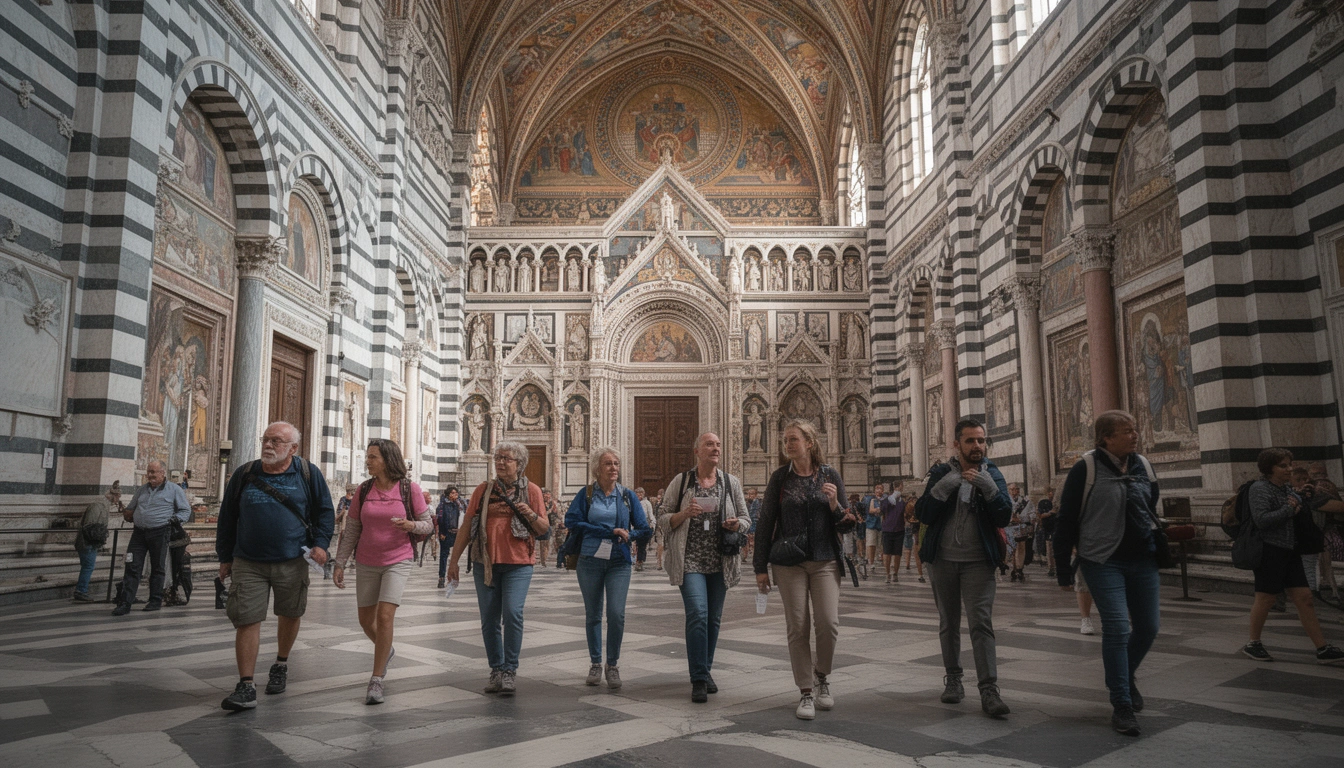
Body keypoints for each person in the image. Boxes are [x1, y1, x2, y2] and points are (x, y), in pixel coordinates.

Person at [1053, 411, 1164, 735]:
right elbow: (1066, 521)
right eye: (1127, 431)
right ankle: (1122, 703)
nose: (1135, 435)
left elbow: (1151, 502)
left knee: (1148, 627)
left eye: (1135, 430)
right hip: (1102, 560)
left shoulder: (1142, 465)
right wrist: (1063, 570)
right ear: (1106, 438)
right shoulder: (1085, 469)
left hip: (1143, 557)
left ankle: (1124, 676)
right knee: (1116, 627)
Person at [216, 422, 335, 711]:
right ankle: (246, 685)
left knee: (290, 613)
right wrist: (225, 556)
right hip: (248, 560)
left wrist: (321, 544)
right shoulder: (245, 473)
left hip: (292, 560)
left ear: (293, 448)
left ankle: (281, 663)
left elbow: (324, 511)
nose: (269, 445)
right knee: (246, 619)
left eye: (277, 441)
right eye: (266, 440)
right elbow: (227, 516)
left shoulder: (307, 474)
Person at [753, 420, 856, 720]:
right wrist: (760, 567)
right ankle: (806, 691)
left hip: (825, 559)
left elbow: (848, 522)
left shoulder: (830, 475)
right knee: (797, 626)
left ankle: (822, 675)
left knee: (828, 623)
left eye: (793, 439)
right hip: (789, 563)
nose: (788, 444)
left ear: (809, 442)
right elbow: (766, 523)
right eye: (785, 440)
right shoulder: (779, 479)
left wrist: (835, 504)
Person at [915, 419, 1012, 719]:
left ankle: (989, 688)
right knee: (949, 621)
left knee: (981, 622)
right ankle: (954, 679)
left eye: (981, 441)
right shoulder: (941, 473)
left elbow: (1005, 515)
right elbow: (923, 513)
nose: (977, 446)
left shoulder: (992, 473)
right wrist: (944, 488)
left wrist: (989, 489)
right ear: (957, 444)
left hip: (979, 562)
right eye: (970, 441)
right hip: (943, 560)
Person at [332, 439, 432, 704]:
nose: (368, 461)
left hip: (398, 560)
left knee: (385, 616)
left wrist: (411, 526)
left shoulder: (410, 489)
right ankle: (386, 649)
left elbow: (428, 526)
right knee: (366, 620)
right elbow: (352, 528)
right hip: (366, 561)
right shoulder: (364, 490)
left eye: (373, 457)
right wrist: (340, 562)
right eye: (368, 456)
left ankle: (376, 679)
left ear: (388, 459)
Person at [447, 441, 549, 695]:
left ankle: (510, 669)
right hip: (486, 563)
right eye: (498, 458)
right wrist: (453, 561)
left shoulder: (532, 491)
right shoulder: (483, 491)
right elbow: (467, 527)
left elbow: (545, 529)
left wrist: (532, 516)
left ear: (520, 464)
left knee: (513, 613)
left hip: (519, 563)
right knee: (489, 619)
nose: (501, 462)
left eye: (507, 458)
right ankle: (496, 668)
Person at [658, 433, 750, 702]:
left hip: (720, 560)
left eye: (718, 445)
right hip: (690, 561)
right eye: (710, 444)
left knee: (714, 619)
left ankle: (705, 670)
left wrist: (736, 524)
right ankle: (698, 677)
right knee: (698, 613)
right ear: (696, 450)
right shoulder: (683, 481)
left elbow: (746, 519)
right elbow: (662, 519)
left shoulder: (730, 482)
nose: (716, 448)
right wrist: (684, 514)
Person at [1240, 447, 1344, 666]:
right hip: (1269, 550)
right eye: (1283, 466)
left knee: (1305, 598)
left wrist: (1300, 496)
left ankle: (1322, 648)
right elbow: (1262, 520)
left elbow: (1305, 505)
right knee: (1266, 598)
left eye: (1289, 464)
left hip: (1290, 550)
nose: (1289, 469)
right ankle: (1253, 643)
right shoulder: (1259, 489)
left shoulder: (1286, 488)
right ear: (1270, 468)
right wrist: (1290, 507)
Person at [566, 448, 651, 690]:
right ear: (597, 468)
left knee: (616, 613)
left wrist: (629, 534)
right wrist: (606, 531)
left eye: (616, 463)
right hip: (589, 560)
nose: (613, 468)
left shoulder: (627, 496)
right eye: (608, 464)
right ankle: (595, 663)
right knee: (593, 614)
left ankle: (612, 665)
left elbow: (645, 529)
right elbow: (571, 521)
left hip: (618, 561)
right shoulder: (587, 494)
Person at [113, 460, 191, 615]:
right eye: (149, 472)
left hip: (160, 531)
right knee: (132, 565)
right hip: (139, 533)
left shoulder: (174, 490)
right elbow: (131, 508)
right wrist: (127, 512)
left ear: (163, 472)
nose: (150, 475)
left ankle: (155, 600)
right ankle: (125, 602)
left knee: (157, 567)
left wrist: (176, 520)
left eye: (153, 472)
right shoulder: (142, 490)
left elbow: (185, 510)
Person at [73, 486, 118, 602]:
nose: (117, 500)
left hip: (92, 542)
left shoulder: (104, 506)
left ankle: (81, 589)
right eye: (117, 497)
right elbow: (89, 526)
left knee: (87, 566)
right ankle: (81, 590)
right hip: (87, 542)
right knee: (88, 566)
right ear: (112, 496)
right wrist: (98, 537)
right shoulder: (97, 506)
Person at [436, 487, 463, 588]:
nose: (455, 494)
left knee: (455, 556)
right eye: (452, 493)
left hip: (457, 533)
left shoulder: (458, 504)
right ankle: (441, 578)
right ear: (448, 494)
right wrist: (442, 532)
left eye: (456, 492)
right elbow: (440, 518)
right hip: (446, 533)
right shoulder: (443, 505)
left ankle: (453, 577)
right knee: (444, 555)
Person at [1009, 484, 1036, 582]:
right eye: (1011, 489)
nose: (1013, 491)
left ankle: (1019, 569)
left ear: (1019, 490)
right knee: (1012, 550)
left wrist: (1022, 519)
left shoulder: (1026, 502)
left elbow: (1032, 514)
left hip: (1021, 527)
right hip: (1010, 528)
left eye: (1015, 489)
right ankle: (1014, 568)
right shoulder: (1006, 501)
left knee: (1021, 548)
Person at [880, 482, 905, 583]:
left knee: (898, 553)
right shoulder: (887, 499)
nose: (901, 489)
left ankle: (895, 573)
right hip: (888, 529)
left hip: (899, 529)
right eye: (900, 487)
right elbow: (883, 509)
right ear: (895, 487)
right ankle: (887, 574)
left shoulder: (902, 501)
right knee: (887, 553)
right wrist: (890, 499)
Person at [901, 492, 924, 582]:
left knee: (913, 547)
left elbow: (905, 516)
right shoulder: (917, 506)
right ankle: (920, 573)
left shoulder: (909, 506)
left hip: (913, 527)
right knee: (916, 548)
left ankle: (920, 573)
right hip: (917, 528)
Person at [862, 483, 885, 570]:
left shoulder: (884, 499)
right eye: (877, 488)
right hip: (871, 524)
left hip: (880, 524)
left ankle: (878, 557)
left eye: (880, 489)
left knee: (879, 543)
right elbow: (871, 510)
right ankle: (871, 561)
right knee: (871, 544)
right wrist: (878, 509)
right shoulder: (871, 499)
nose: (878, 490)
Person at [1038, 487, 1058, 576]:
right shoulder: (1044, 503)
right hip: (1048, 528)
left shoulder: (1058, 502)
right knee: (1049, 547)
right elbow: (1041, 515)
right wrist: (1051, 512)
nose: (1052, 495)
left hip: (1058, 527)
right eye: (1050, 493)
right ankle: (1051, 567)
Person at [535, 488, 555, 568]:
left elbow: (556, 514)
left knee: (546, 543)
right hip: (541, 524)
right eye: (545, 495)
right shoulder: (540, 504)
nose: (547, 497)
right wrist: (550, 510)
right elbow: (542, 514)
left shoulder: (551, 503)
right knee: (541, 543)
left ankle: (544, 560)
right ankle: (540, 559)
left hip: (549, 525)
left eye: (548, 495)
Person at [634, 487, 653, 571]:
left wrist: (652, 524)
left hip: (644, 526)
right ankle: (636, 560)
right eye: (637, 494)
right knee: (635, 545)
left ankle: (640, 561)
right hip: (636, 526)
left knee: (641, 545)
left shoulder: (647, 503)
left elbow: (650, 515)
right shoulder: (633, 503)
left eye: (640, 493)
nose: (639, 495)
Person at [744, 487, 762, 561]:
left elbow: (757, 513)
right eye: (748, 494)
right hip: (749, 521)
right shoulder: (748, 502)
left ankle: (754, 555)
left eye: (751, 494)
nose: (749, 495)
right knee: (748, 538)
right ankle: (745, 555)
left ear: (756, 494)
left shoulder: (757, 502)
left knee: (753, 538)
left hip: (755, 521)